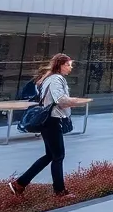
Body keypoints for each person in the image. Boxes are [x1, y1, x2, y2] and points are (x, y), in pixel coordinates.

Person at [9, 54, 81, 198]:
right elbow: (60, 99)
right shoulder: (56, 79)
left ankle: (20, 184)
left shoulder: (50, 78)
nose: (70, 67)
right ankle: (59, 191)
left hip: (49, 121)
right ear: (60, 65)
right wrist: (76, 101)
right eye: (68, 64)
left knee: (51, 155)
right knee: (58, 156)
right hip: (51, 120)